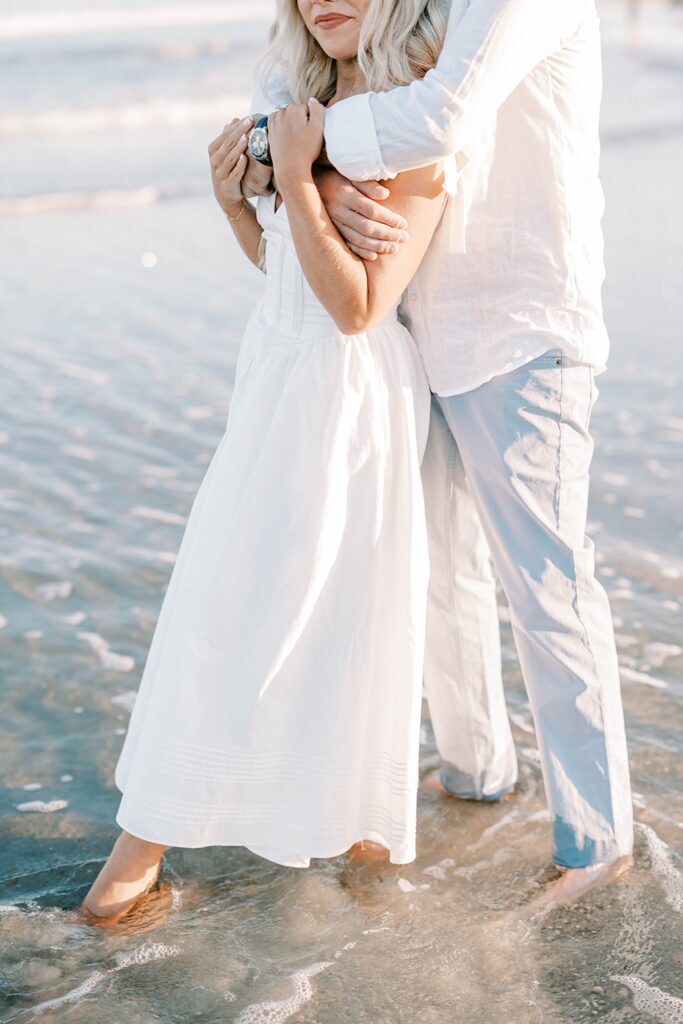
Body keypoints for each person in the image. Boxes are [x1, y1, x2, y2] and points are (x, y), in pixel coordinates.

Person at [244, 0, 635, 911]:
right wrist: (284, 151)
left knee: (545, 585)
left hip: (519, 322)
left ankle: (598, 840)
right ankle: (474, 770)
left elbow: (440, 114)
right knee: (442, 576)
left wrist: (298, 156)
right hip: (417, 325)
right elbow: (285, 84)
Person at [80, 0, 454, 923]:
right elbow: (285, 268)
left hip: (345, 394)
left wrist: (293, 174)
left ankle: (188, 849)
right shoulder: (301, 105)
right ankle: (312, 833)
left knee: (309, 610)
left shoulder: (412, 120)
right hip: (275, 376)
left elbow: (357, 307)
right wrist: (235, 201)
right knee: (230, 602)